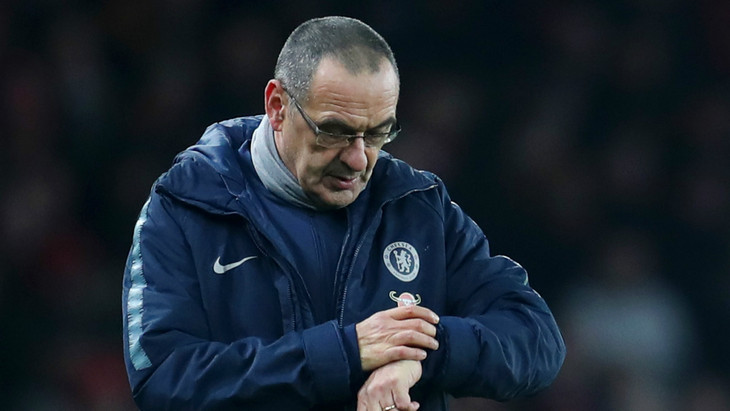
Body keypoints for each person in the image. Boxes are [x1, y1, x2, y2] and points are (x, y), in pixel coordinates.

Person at [122, 16, 565, 411]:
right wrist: (346, 353)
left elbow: (537, 338)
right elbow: (164, 380)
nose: (357, 159)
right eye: (334, 131)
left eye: (377, 134)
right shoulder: (187, 206)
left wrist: (417, 353)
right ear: (277, 107)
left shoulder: (416, 205)